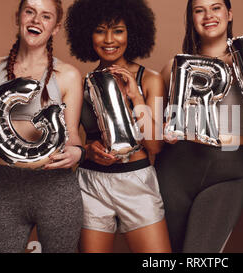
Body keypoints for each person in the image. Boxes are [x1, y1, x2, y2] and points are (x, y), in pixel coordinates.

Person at [155, 0, 243, 253]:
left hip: (227, 171)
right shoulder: (172, 68)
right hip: (175, 171)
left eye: (216, 7)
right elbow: (158, 130)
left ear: (229, 14)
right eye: (199, 10)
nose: (208, 15)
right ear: (191, 18)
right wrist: (163, 130)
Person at [0, 0, 84, 253]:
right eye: (30, 12)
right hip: (4, 188)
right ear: (18, 17)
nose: (35, 20)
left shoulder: (68, 75)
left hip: (56, 189)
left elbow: (72, 136)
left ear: (55, 28)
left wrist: (77, 152)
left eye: (45, 16)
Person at [65, 0, 171, 253]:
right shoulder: (81, 83)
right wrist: (89, 151)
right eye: (100, 30)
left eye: (118, 30)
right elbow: (73, 140)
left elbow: (155, 145)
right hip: (91, 184)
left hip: (137, 181)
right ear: (87, 34)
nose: (109, 39)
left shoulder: (150, 79)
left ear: (132, 32)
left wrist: (136, 97)